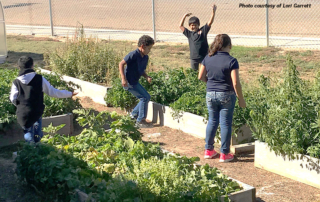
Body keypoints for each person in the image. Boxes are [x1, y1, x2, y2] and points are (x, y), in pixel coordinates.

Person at [198, 34, 246, 162]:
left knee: (212, 121)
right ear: (229, 46)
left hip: (210, 94)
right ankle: (224, 154)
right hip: (226, 94)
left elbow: (200, 76)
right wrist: (241, 99)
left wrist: (210, 83)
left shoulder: (208, 58)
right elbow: (235, 83)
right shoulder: (232, 60)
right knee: (225, 123)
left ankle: (208, 150)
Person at [9, 56, 78, 143]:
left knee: (28, 132)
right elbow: (53, 92)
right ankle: (36, 149)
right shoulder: (39, 78)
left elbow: (12, 98)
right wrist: (70, 94)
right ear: (32, 66)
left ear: (19, 67)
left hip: (23, 113)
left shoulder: (16, 82)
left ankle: (31, 150)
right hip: (36, 111)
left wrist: (21, 106)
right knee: (38, 134)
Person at [119, 35, 154, 128]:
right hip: (128, 82)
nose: (149, 50)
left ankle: (133, 115)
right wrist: (123, 78)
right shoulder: (134, 54)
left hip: (135, 81)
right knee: (144, 97)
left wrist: (146, 76)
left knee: (145, 97)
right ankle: (140, 120)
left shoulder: (145, 57)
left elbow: (140, 70)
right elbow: (121, 63)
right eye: (149, 48)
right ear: (142, 46)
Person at [179, 4, 217, 71]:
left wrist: (213, 12)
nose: (193, 27)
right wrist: (184, 16)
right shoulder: (189, 34)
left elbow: (210, 22)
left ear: (198, 25)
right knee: (193, 73)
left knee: (205, 72)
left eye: (195, 25)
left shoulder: (203, 31)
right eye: (191, 25)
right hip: (193, 57)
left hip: (204, 56)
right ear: (189, 26)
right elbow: (181, 26)